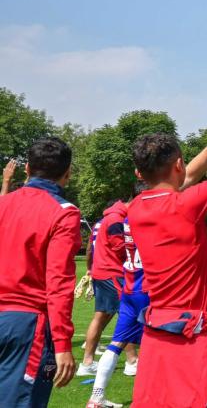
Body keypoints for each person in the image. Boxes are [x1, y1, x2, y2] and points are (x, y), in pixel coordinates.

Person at [128, 91, 207, 408]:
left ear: (140, 173)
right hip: (192, 334)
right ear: (177, 164)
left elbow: (187, 175)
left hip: (156, 333)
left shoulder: (136, 208)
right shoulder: (186, 205)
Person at [0, 137, 80, 407]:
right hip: (27, 326)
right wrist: (63, 344)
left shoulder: (3, 204)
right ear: (67, 174)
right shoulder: (64, 213)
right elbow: (58, 283)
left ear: (26, 170)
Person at [86, 197, 149, 408]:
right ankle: (152, 397)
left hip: (129, 288)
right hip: (146, 289)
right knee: (161, 342)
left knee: (116, 344)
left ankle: (96, 397)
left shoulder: (121, 221)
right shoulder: (146, 221)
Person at [78, 199, 133, 376]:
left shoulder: (104, 220)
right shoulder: (117, 219)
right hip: (113, 272)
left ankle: (87, 363)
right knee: (127, 315)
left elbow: (89, 249)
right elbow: (121, 249)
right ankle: (132, 361)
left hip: (101, 271)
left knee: (100, 316)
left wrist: (90, 268)